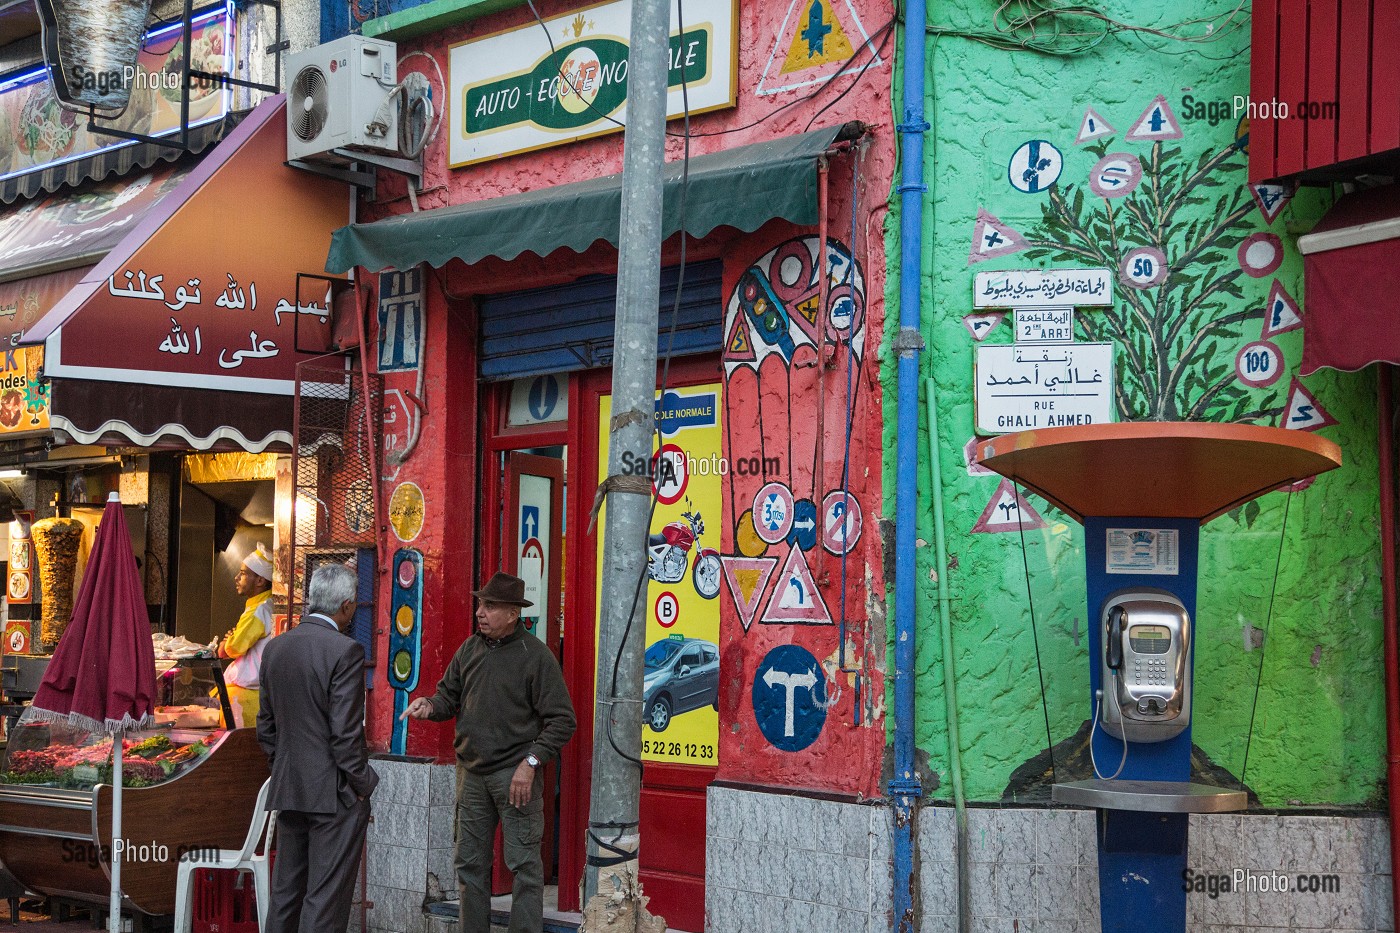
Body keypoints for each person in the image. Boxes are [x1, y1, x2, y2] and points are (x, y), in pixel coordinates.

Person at [401, 572, 576, 933]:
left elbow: (562, 721)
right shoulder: (469, 648)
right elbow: (448, 697)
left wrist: (531, 763)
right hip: (472, 775)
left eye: (491, 606)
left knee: (525, 867)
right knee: (469, 865)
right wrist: (429, 706)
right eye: (481, 604)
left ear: (513, 614)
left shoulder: (536, 656)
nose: (481, 612)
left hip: (515, 776)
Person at [257, 562, 379, 933]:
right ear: (346, 606)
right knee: (324, 900)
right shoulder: (345, 651)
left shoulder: (276, 648)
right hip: (334, 793)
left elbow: (266, 726)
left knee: (286, 894)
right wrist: (362, 784)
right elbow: (345, 735)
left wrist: (285, 766)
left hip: (290, 787)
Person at [218, 543, 275, 727]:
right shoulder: (263, 606)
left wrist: (226, 644)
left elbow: (234, 647)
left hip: (248, 694)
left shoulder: (258, 610)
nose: (237, 578)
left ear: (260, 581)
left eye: (243, 574)